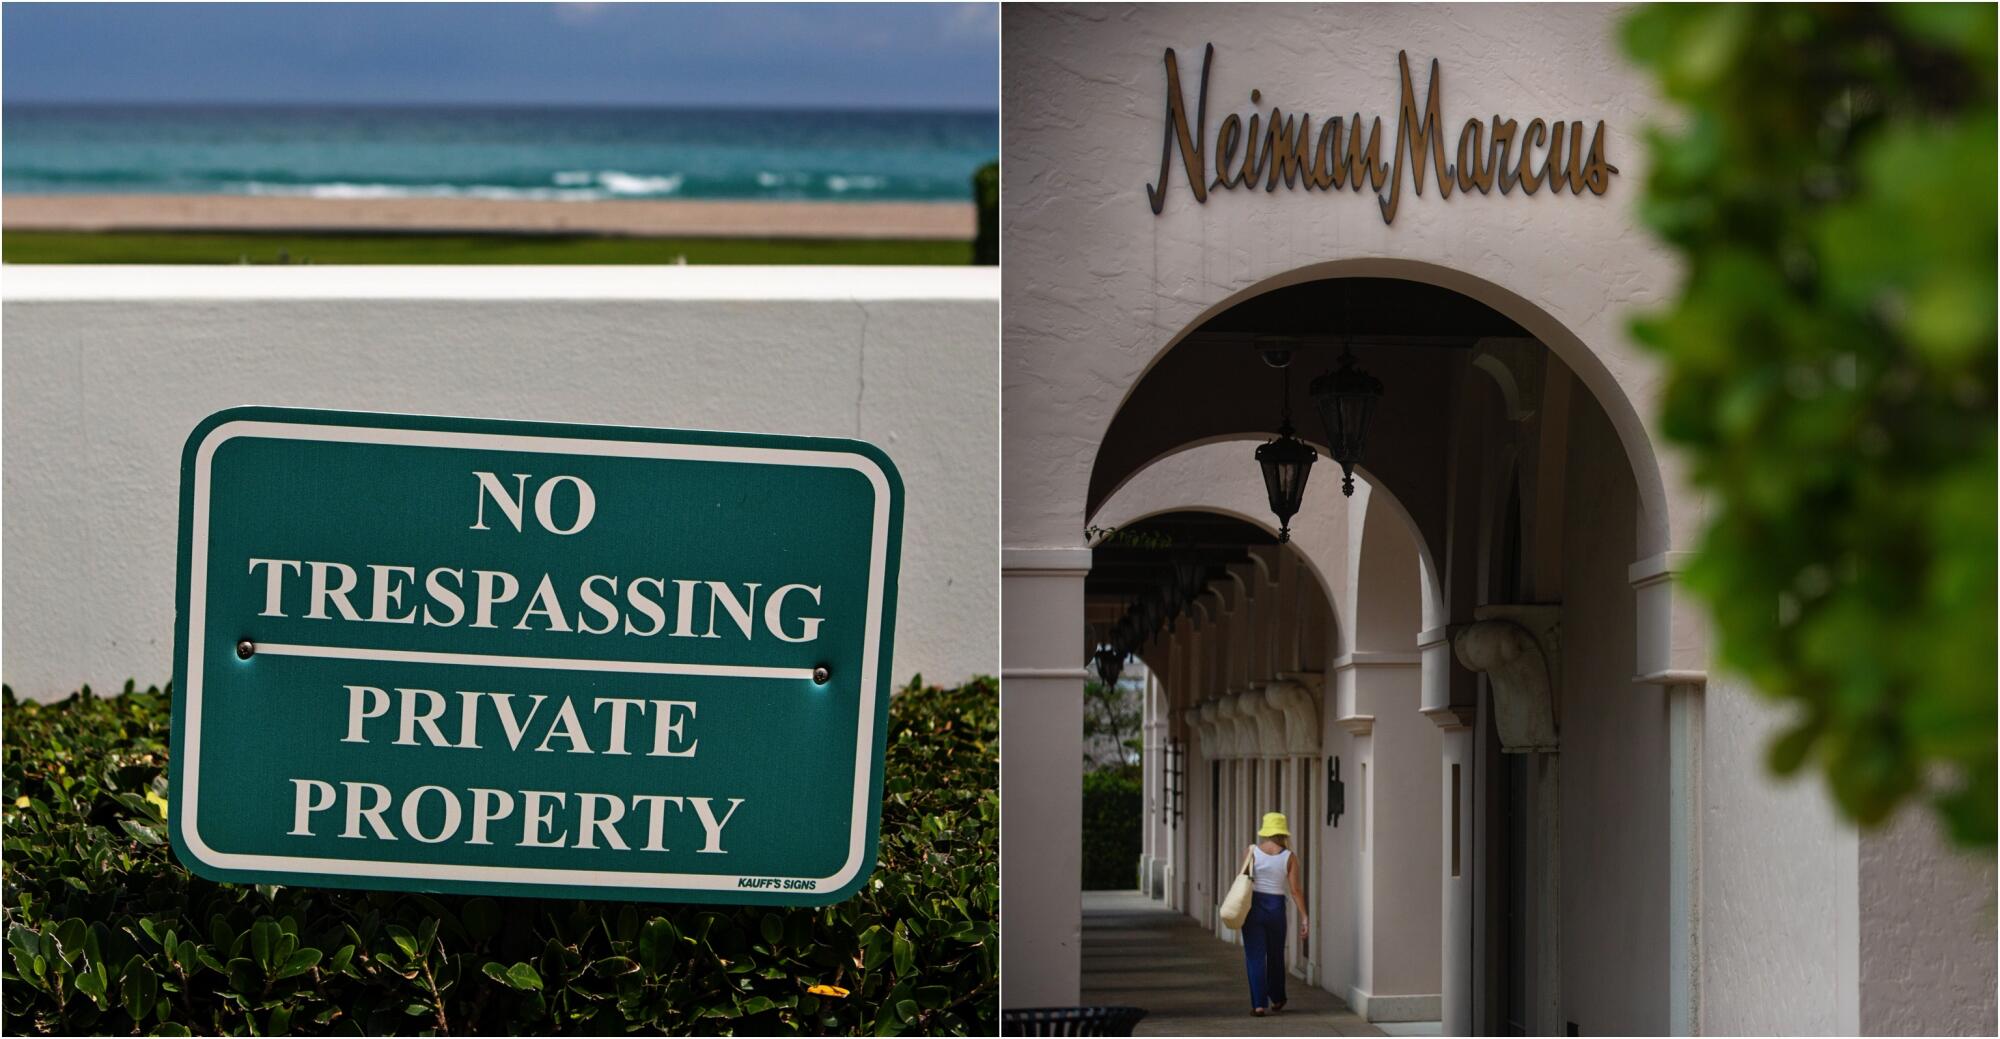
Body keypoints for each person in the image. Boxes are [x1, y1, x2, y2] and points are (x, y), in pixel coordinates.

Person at [1239, 811, 1308, 1016]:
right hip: (1276, 908)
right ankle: (1277, 999)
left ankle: (1258, 1004)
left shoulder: (1251, 851)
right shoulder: (1289, 857)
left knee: (1255, 956)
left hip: (1253, 907)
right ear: (1283, 832)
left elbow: (1242, 880)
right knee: (1276, 955)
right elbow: (1295, 891)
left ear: (1266, 831)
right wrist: (1305, 916)